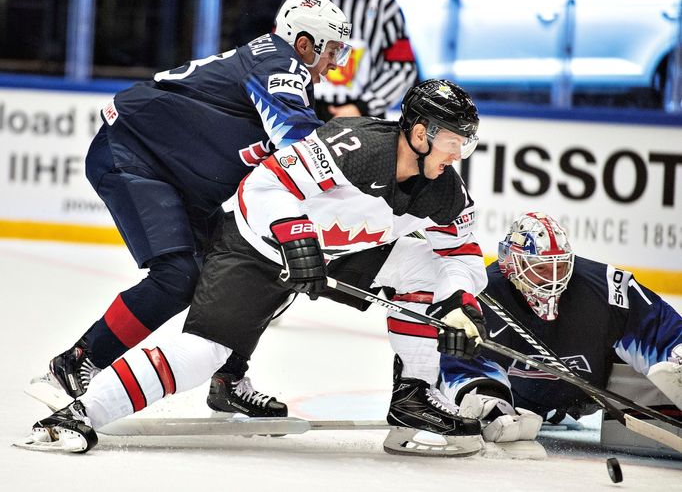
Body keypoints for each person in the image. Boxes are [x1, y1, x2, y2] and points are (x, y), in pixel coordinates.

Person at [27, 79, 490, 457]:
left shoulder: (445, 190)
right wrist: (294, 235)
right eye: (453, 142)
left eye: (465, 146)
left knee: (428, 272)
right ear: (419, 133)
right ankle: (81, 413)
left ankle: (413, 395)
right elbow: (267, 183)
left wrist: (458, 302)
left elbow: (461, 254)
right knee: (204, 353)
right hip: (254, 246)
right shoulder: (356, 146)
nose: (458, 156)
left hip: (337, 252)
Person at [40, 0, 352, 419]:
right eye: (332, 50)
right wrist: (370, 163)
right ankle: (78, 362)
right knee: (179, 274)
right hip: (132, 157)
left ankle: (228, 376)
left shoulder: (278, 63)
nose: (335, 62)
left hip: (169, 172)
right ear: (303, 43)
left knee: (247, 267)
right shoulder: (280, 66)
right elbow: (300, 143)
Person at [439, 212, 682, 446]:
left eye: (560, 267)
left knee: (663, 366)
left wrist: (676, 351)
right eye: (541, 268)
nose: (553, 278)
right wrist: (490, 403)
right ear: (512, 264)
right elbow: (459, 362)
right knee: (489, 409)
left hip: (592, 390)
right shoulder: (481, 293)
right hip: (518, 401)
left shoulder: (606, 287)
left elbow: (656, 327)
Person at [286, 0, 418, 120]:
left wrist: (363, 106)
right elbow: (279, 56)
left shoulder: (383, 1)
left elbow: (403, 68)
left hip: (363, 114)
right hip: (305, 108)